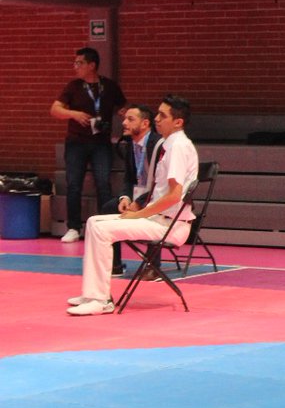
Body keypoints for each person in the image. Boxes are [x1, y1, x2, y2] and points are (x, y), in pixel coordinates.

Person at [67, 95, 199, 316]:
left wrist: (140, 215)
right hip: (158, 219)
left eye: (162, 116)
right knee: (92, 222)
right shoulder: (170, 144)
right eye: (157, 114)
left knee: (100, 229)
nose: (157, 119)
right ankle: (92, 293)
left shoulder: (178, 147)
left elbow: (175, 196)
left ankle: (102, 301)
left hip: (170, 225)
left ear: (178, 122)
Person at [50, 48, 127, 244]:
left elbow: (123, 107)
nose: (75, 67)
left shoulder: (109, 86)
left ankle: (104, 225)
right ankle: (74, 227)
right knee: (74, 184)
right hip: (76, 143)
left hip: (101, 143)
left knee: (103, 183)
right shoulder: (73, 86)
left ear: (91, 65)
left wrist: (128, 117)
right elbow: (55, 109)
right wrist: (74, 114)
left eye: (79, 63)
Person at [97, 104, 162, 277]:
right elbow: (128, 179)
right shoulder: (131, 146)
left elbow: (159, 184)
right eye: (124, 119)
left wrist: (139, 203)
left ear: (145, 123)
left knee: (153, 211)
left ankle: (153, 267)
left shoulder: (157, 144)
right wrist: (124, 198)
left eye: (130, 119)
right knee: (108, 208)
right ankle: (115, 265)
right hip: (138, 194)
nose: (124, 123)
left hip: (157, 197)